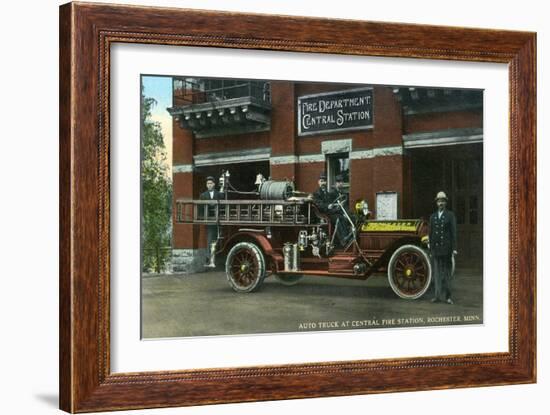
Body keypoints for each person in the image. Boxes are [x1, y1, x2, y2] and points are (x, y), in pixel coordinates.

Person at [428, 191, 458, 304]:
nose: (441, 203)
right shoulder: (433, 217)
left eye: (443, 201)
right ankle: (437, 296)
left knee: (446, 274)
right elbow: (430, 234)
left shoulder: (450, 215)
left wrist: (454, 248)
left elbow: (453, 233)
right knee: (436, 274)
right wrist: (431, 249)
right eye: (439, 201)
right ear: (436, 203)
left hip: (446, 249)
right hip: (436, 249)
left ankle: (448, 297)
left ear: (446, 203)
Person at [199, 176, 223, 268]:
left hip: (218, 220)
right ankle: (209, 259)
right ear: (206, 185)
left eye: (211, 183)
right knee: (209, 240)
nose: (209, 185)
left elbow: (223, 205)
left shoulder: (219, 194)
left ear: (214, 184)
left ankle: (218, 260)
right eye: (208, 184)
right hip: (209, 220)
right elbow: (201, 209)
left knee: (218, 239)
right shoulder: (203, 196)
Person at [328, 175, 353, 247]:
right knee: (340, 218)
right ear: (335, 183)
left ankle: (351, 236)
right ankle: (343, 239)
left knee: (352, 216)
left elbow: (345, 206)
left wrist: (346, 213)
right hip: (334, 213)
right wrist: (338, 208)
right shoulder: (331, 194)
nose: (340, 183)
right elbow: (331, 206)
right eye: (338, 182)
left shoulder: (343, 193)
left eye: (341, 182)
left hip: (341, 211)